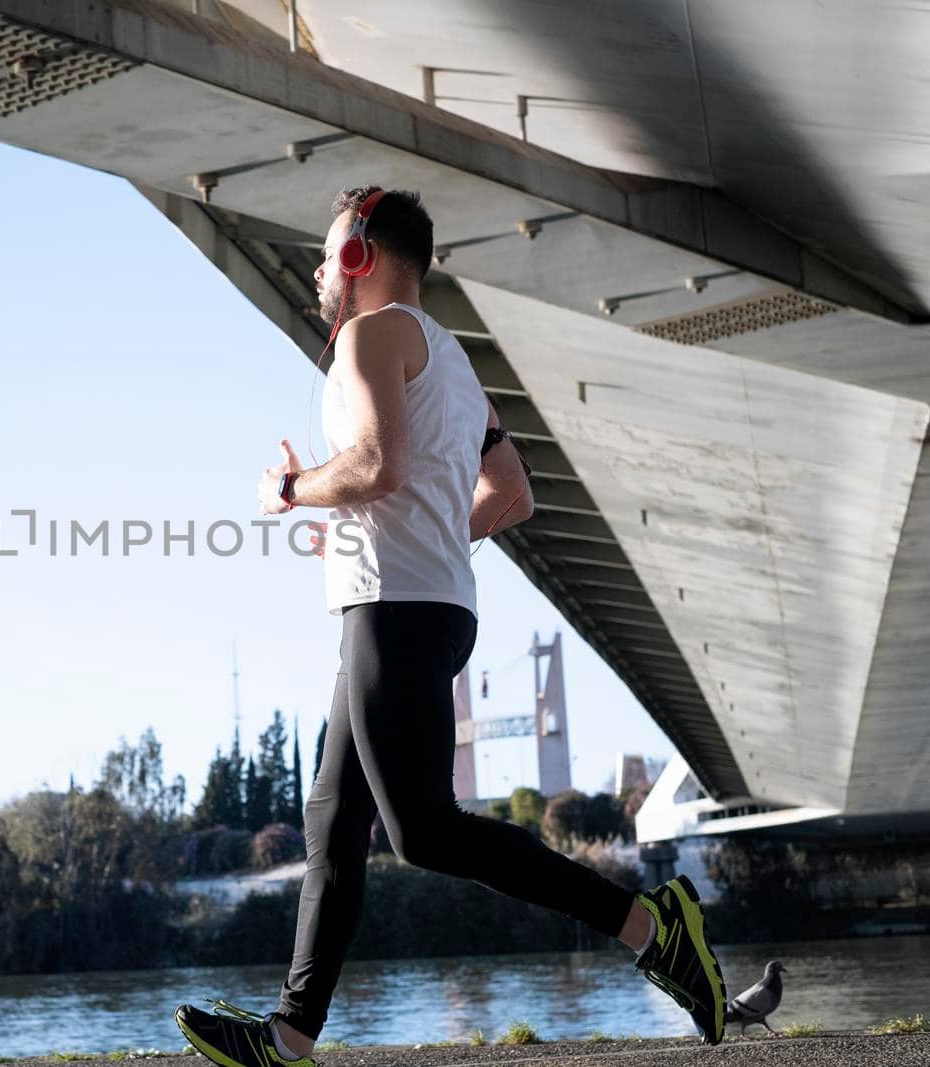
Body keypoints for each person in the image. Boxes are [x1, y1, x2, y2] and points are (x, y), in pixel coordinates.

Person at [173, 186, 725, 1065]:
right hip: (421, 601)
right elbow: (511, 492)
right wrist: (408, 527)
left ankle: (649, 924)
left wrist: (293, 490)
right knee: (333, 824)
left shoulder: (367, 334)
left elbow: (376, 465)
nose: (318, 272)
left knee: (422, 831)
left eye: (326, 255)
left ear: (359, 255)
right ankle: (289, 1034)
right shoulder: (459, 367)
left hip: (396, 608)